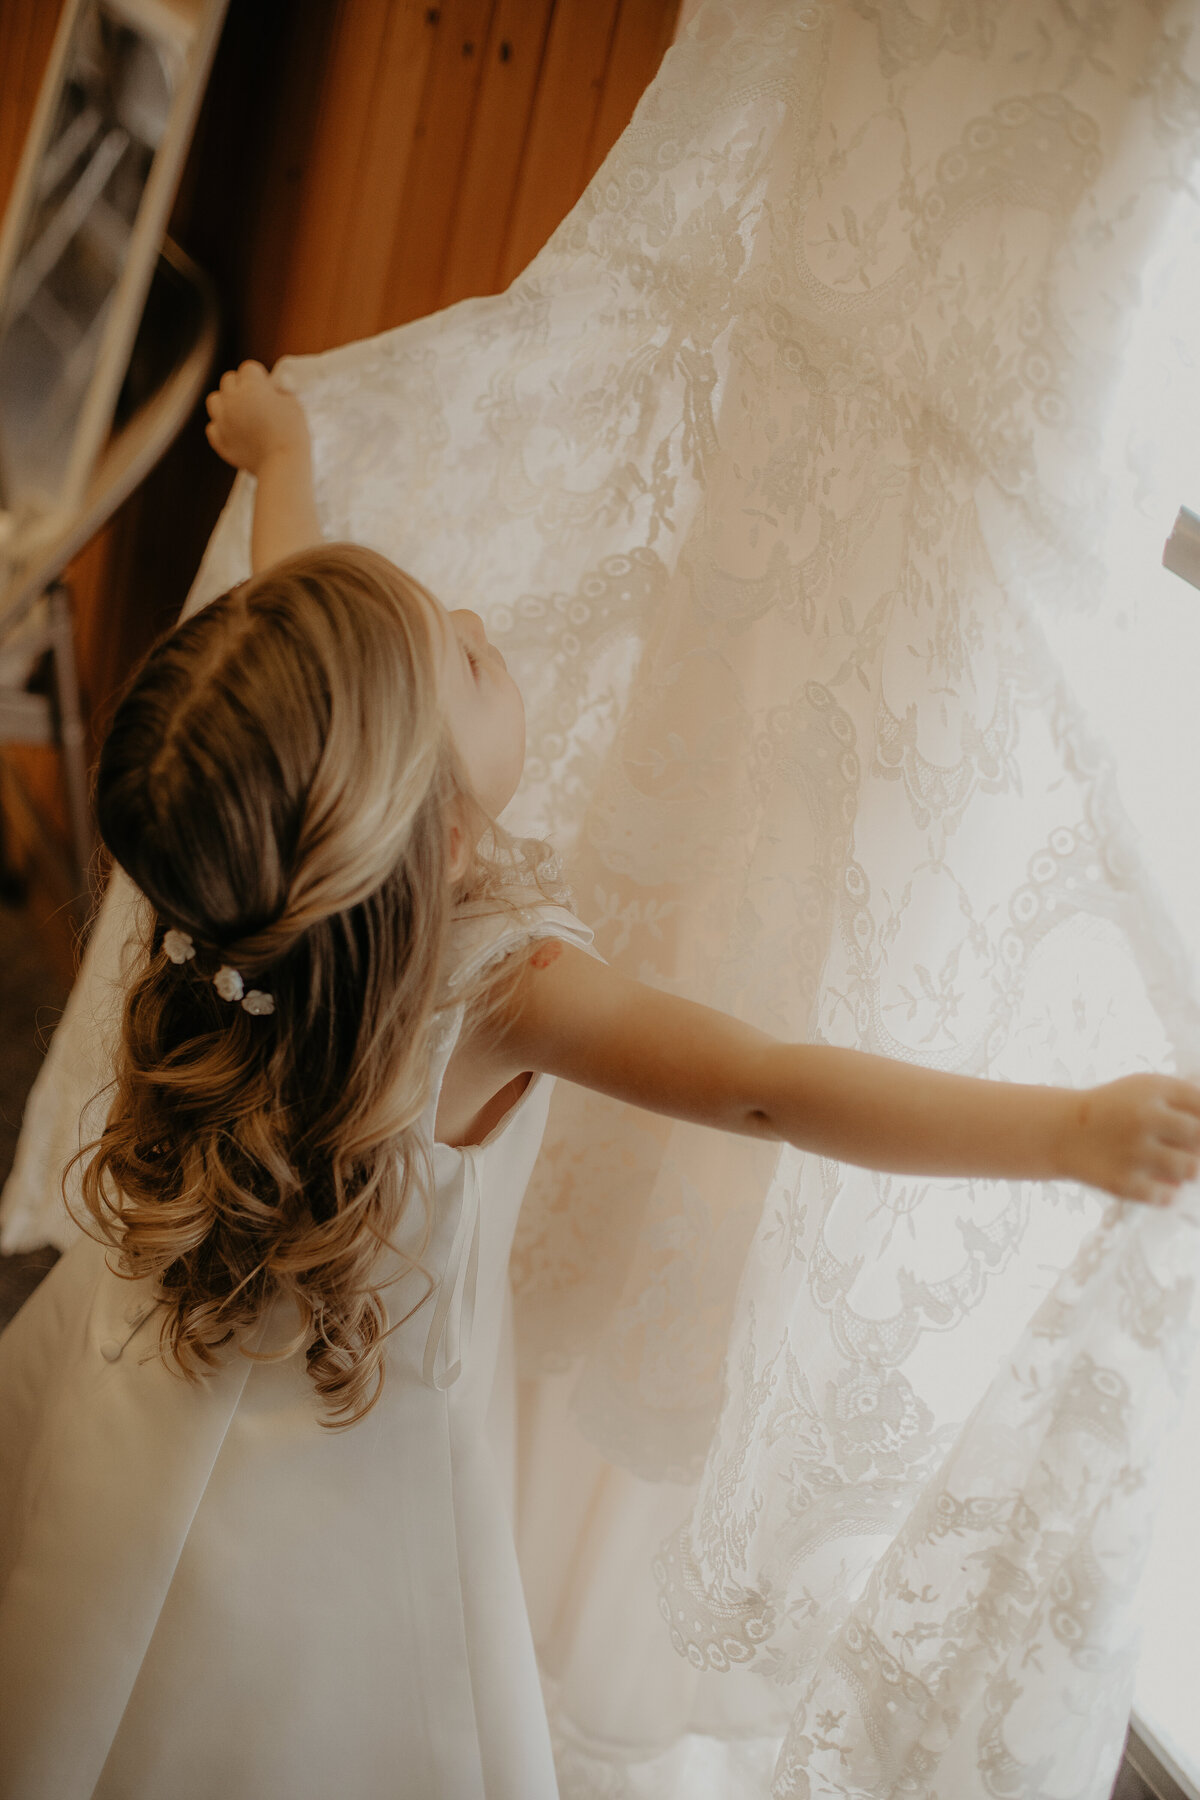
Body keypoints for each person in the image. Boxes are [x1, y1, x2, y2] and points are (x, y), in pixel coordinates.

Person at [0, 361, 1197, 1800]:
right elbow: (764, 1085)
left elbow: (301, 648)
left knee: (93, 1609)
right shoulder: (496, 984)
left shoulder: (255, 873)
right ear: (432, 834)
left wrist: (287, 459)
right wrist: (1065, 1129)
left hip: (159, 1354)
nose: (482, 622)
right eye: (469, 660)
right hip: (349, 1465)